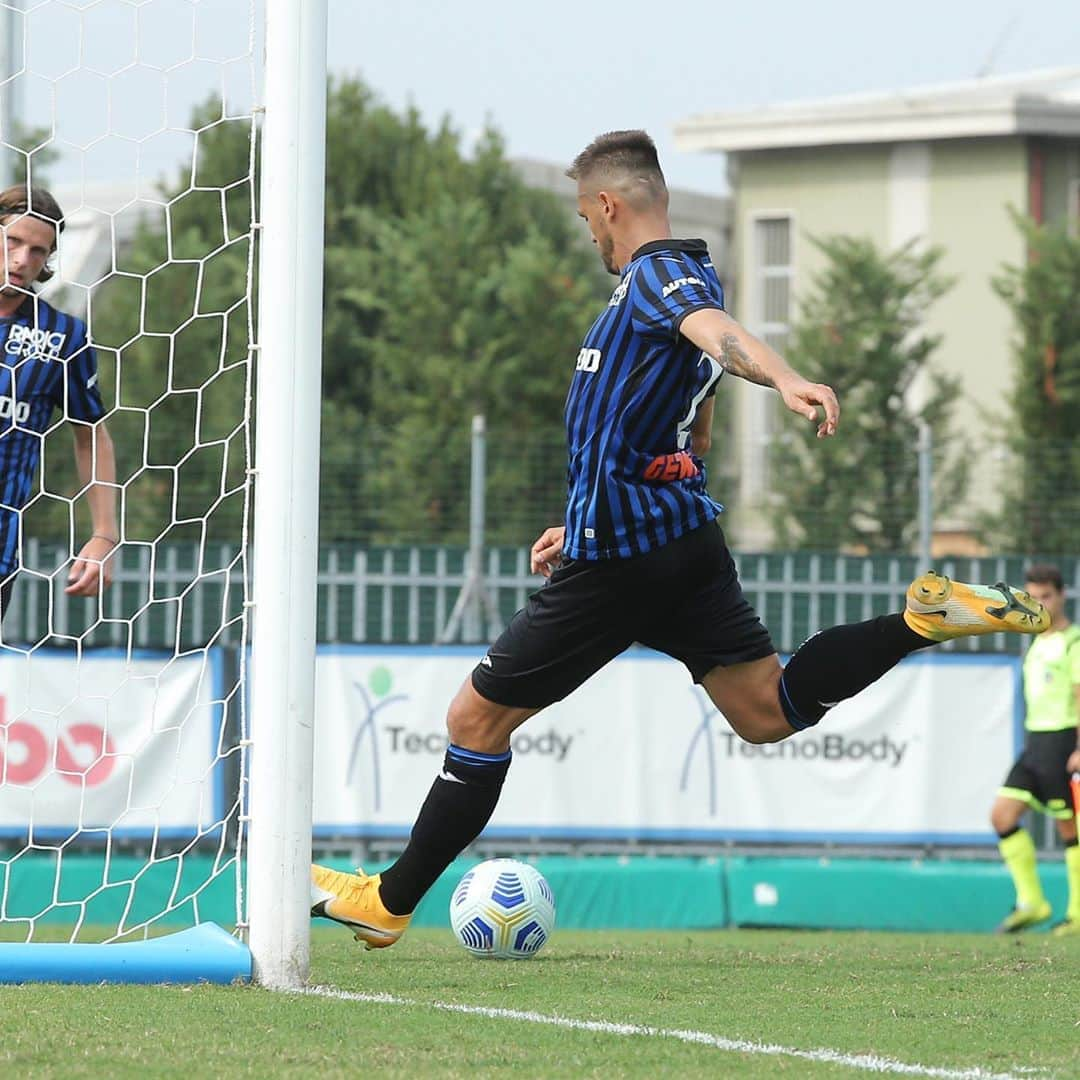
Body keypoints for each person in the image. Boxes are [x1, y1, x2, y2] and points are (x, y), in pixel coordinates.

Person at [311, 130, 1049, 948]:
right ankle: (917, 622)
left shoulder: (659, 275)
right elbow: (679, 417)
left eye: (585, 217)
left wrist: (787, 379)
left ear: (608, 205)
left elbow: (715, 335)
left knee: (474, 721)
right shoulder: (679, 276)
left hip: (622, 565)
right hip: (673, 542)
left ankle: (390, 901)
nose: (587, 233)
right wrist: (589, 509)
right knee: (767, 710)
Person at [0, 185, 117, 622]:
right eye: (12, 241)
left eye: (37, 251)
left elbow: (91, 435)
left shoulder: (62, 336)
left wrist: (104, 534)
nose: (22, 260)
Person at [991, 564, 1080, 935]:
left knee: (1068, 828)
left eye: (1046, 596)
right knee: (1002, 816)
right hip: (1035, 741)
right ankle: (1033, 902)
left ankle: (1076, 913)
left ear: (1060, 596)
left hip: (1060, 740)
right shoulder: (1037, 640)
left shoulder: (1073, 641)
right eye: (1032, 597)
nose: (1039, 604)